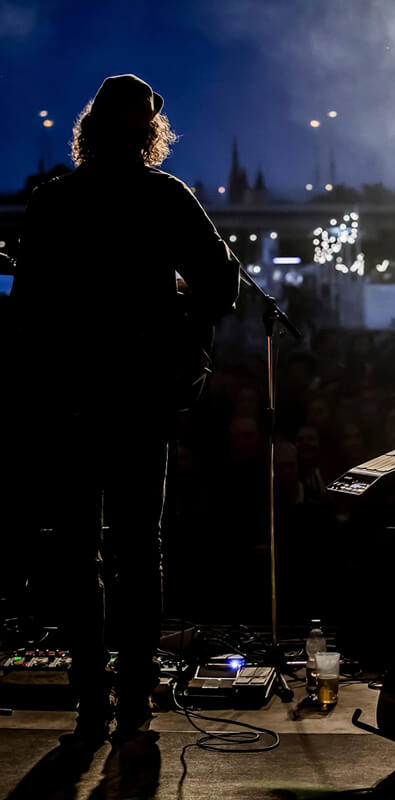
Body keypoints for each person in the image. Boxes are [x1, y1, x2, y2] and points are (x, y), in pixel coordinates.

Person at [10, 74, 240, 746]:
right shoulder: (164, 195)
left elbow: (26, 310)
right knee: (139, 549)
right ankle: (136, 698)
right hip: (141, 397)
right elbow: (221, 283)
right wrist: (179, 323)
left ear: (90, 130)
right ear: (148, 133)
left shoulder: (54, 200)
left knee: (76, 551)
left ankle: (91, 700)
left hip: (70, 398)